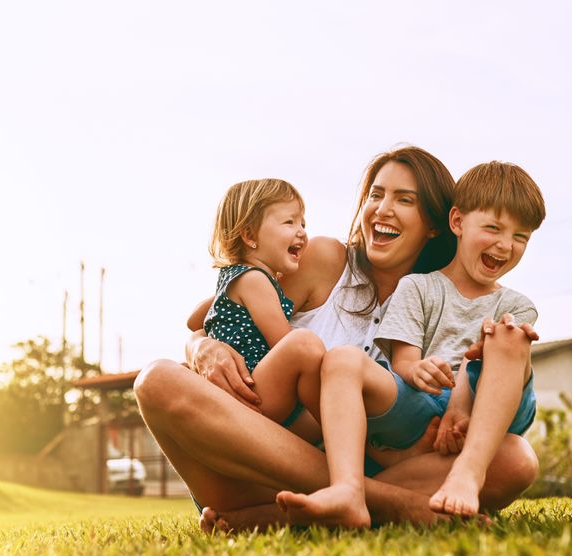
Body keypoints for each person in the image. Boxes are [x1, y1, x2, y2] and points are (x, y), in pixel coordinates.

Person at [134, 146, 540, 531]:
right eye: (376, 194)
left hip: (375, 468)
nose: (382, 209)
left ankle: (294, 511)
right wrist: (204, 347)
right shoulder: (324, 259)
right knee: (156, 380)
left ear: (435, 225)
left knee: (515, 459)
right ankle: (386, 503)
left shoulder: (445, 301)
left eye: (404, 200)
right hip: (251, 462)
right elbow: (223, 309)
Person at [276, 161, 545, 528]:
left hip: (490, 409)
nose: (505, 245)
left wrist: (463, 404)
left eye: (520, 237)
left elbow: (489, 365)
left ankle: (467, 473)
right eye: (494, 228)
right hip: (425, 406)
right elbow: (403, 361)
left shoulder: (516, 305)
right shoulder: (417, 287)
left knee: (507, 338)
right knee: (342, 359)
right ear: (457, 223)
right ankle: (347, 490)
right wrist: (416, 369)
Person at [202, 178, 324, 444]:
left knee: (326, 431)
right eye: (289, 222)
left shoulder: (233, 277)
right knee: (304, 344)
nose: (302, 231)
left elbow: (195, 321)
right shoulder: (256, 280)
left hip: (249, 392)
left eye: (303, 223)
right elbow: (284, 342)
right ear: (250, 236)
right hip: (253, 391)